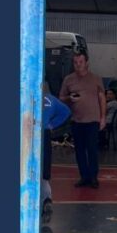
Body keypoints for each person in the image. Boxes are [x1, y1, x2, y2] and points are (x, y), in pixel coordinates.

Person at [59, 51, 106, 188]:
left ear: (87, 63)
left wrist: (103, 117)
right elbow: (61, 98)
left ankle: (93, 177)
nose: (78, 65)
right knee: (79, 150)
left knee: (92, 149)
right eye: (75, 62)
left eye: (81, 62)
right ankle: (84, 177)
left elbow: (102, 98)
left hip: (92, 120)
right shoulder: (68, 80)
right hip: (76, 121)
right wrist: (69, 98)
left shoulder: (96, 79)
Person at [41, 82, 71, 224]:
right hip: (45, 133)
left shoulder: (27, 97)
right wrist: (52, 124)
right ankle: (47, 199)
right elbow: (66, 111)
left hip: (29, 133)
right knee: (44, 170)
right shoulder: (50, 99)